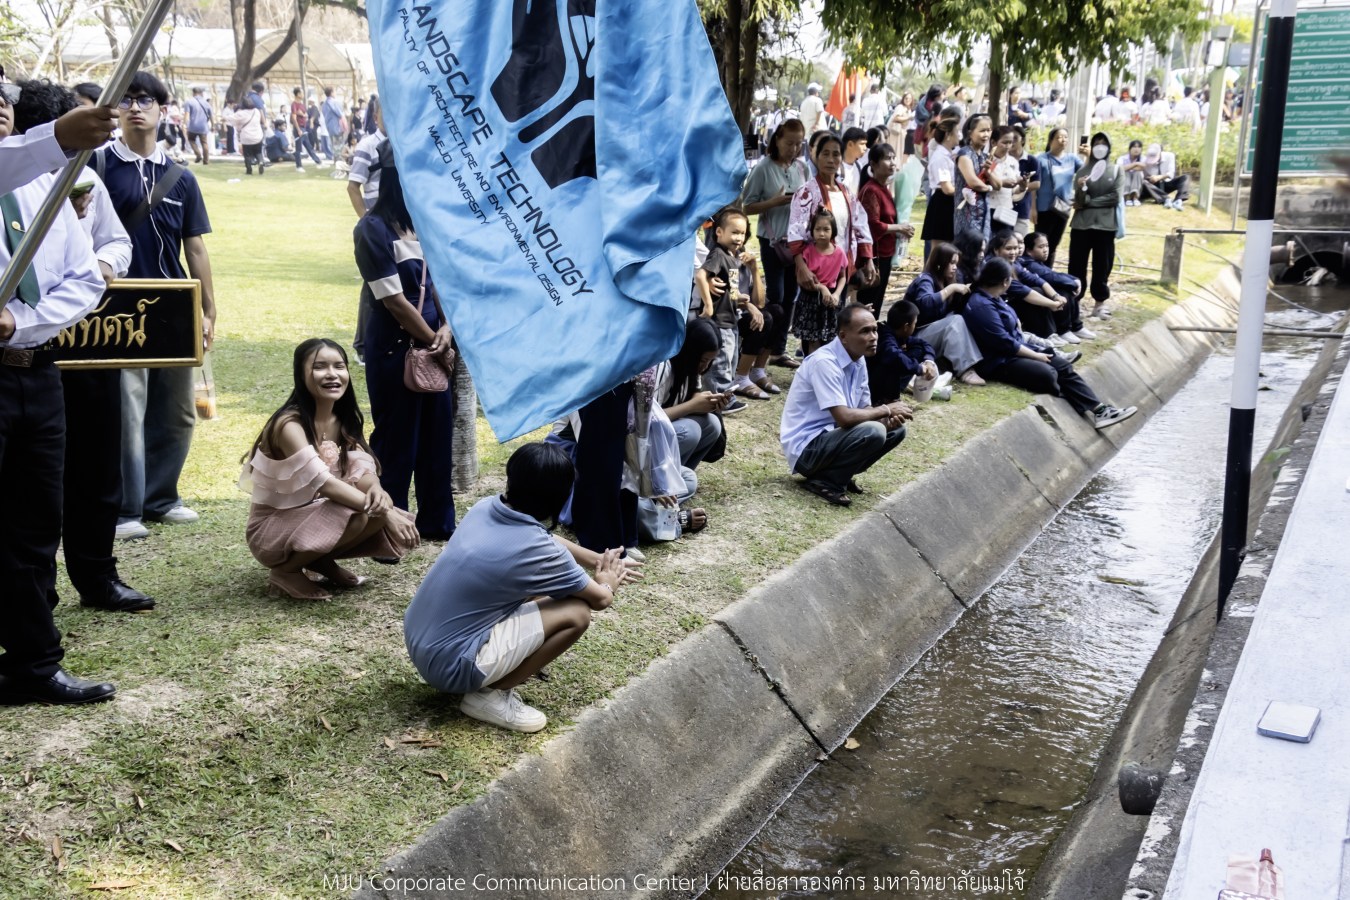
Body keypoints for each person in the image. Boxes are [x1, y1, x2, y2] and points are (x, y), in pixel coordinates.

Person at [12, 79, 157, 614]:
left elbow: (117, 241)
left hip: (89, 341)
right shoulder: (16, 183)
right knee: (37, 485)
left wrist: (98, 267)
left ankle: (98, 575)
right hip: (23, 355)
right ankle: (35, 591)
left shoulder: (86, 178)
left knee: (98, 463)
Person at [0, 67, 121, 704]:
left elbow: (84, 278)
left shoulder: (45, 188)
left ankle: (32, 663)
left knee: (33, 524)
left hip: (37, 375)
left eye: (2, 93)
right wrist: (59, 135)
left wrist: (19, 318)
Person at [404, 443, 632, 733]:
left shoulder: (485, 507)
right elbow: (599, 599)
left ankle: (491, 673)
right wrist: (608, 580)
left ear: (511, 480)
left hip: (420, 639)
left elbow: (543, 541)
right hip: (452, 667)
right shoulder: (539, 551)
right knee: (576, 612)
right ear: (560, 498)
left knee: (547, 591)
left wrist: (595, 559)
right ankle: (489, 697)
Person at [94, 72, 216, 541]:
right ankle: (125, 507)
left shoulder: (181, 177)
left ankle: (162, 497)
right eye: (126, 100)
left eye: (144, 99)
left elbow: (196, 247)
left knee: (178, 407)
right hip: (116, 305)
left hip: (173, 302)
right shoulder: (97, 166)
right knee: (127, 408)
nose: (135, 107)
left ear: (163, 109)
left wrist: (208, 308)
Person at [241, 339, 419, 600]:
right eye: (320, 367)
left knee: (374, 508)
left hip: (310, 519)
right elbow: (322, 482)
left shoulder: (341, 419)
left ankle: (320, 562)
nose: (332, 374)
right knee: (359, 512)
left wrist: (378, 493)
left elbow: (362, 465)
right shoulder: (289, 425)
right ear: (301, 375)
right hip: (271, 531)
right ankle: (286, 572)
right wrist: (388, 513)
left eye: (340, 366)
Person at [352, 162, 457, 542]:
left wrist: (448, 329)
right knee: (397, 439)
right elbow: (394, 301)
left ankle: (437, 522)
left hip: (435, 344)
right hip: (395, 348)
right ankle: (387, 527)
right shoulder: (371, 229)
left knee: (437, 437)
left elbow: (442, 282)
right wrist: (435, 339)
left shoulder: (424, 225)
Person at [958, 258, 1136, 429]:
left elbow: (1012, 333)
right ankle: (1082, 401)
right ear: (1005, 281)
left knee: (1061, 365)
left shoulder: (994, 297)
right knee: (1048, 374)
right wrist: (1036, 355)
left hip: (1015, 351)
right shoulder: (982, 305)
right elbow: (1004, 343)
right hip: (998, 361)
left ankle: (1100, 410)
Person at [779, 304, 910, 507]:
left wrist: (887, 419)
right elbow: (844, 418)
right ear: (843, 336)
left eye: (874, 330)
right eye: (865, 331)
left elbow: (864, 410)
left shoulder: (858, 359)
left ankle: (840, 474)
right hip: (807, 451)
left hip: (833, 438)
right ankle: (827, 481)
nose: (874, 337)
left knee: (896, 430)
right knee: (874, 430)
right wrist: (886, 409)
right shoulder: (824, 362)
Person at [786, 132, 876, 326]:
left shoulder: (846, 193)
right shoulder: (806, 193)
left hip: (840, 269)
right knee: (815, 326)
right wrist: (802, 268)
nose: (830, 159)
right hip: (816, 271)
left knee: (837, 321)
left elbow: (860, 223)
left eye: (835, 154)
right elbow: (795, 233)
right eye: (825, 154)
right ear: (815, 157)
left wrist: (867, 258)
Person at [739, 118, 807, 372]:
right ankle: (759, 351)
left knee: (791, 296)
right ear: (777, 139)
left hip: (797, 241)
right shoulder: (763, 168)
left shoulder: (801, 168)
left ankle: (778, 350)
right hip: (771, 240)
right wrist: (776, 202)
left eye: (798, 144)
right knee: (775, 297)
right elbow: (748, 205)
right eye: (789, 143)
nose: (793, 148)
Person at [901, 242, 986, 385]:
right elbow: (926, 302)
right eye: (951, 263)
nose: (954, 267)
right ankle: (966, 370)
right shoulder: (925, 280)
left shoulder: (946, 279)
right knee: (955, 321)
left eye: (956, 263)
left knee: (961, 317)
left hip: (929, 334)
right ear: (940, 263)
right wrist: (951, 289)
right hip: (913, 338)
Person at [1069, 132, 1123, 321]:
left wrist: (1089, 202)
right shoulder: (1083, 171)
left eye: (1104, 143)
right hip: (1081, 225)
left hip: (1105, 226)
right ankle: (1074, 300)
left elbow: (1115, 197)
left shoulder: (1116, 169)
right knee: (1076, 264)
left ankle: (1100, 302)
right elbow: (1078, 200)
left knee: (1102, 265)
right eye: (1097, 143)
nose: (1100, 147)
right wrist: (1082, 189)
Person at [856, 142, 912, 317]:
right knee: (869, 302)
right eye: (887, 158)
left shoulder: (884, 187)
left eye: (894, 158)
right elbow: (872, 225)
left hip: (886, 254)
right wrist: (900, 228)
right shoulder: (871, 190)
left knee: (877, 302)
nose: (893, 162)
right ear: (873, 164)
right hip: (874, 256)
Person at [867, 300, 951, 404]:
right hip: (872, 383)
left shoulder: (899, 335)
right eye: (914, 323)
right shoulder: (884, 338)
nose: (915, 326)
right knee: (894, 362)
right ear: (906, 326)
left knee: (918, 349)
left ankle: (898, 388)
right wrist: (919, 368)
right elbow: (894, 355)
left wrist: (928, 361)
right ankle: (887, 399)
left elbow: (924, 344)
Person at [793, 208, 850, 357]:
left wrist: (837, 294)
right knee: (812, 340)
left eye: (826, 229)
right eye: (818, 229)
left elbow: (843, 277)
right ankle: (810, 370)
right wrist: (821, 288)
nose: (822, 233)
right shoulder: (808, 251)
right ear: (812, 231)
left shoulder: (839, 253)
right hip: (809, 300)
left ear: (833, 231)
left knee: (830, 340)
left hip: (830, 301)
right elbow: (800, 279)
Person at [1019, 231, 1093, 340]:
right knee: (1062, 290)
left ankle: (1076, 327)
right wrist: (1073, 284)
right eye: (1041, 247)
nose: (1045, 250)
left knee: (1065, 287)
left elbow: (1054, 273)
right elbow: (1050, 277)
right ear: (1029, 250)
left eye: (1047, 246)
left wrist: (1074, 279)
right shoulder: (1028, 263)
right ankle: (1063, 330)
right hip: (1028, 300)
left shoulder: (1037, 262)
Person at [1035, 127, 1083, 266]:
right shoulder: (1041, 159)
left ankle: (1048, 272)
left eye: (1065, 137)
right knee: (1041, 244)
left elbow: (1086, 173)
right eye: (1059, 137)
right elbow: (1034, 185)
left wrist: (1087, 155)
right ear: (1051, 140)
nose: (1063, 140)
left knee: (1053, 244)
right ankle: (1038, 273)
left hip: (1063, 207)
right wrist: (1032, 208)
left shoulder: (1072, 159)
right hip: (1044, 207)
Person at [920, 111, 960, 254]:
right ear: (948, 135)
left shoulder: (948, 155)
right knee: (938, 251)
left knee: (947, 250)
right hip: (942, 203)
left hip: (949, 203)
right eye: (957, 132)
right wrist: (965, 191)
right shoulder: (940, 157)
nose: (959, 135)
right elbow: (947, 188)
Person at [954, 113, 996, 239]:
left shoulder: (985, 156)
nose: (986, 135)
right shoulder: (964, 154)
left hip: (984, 211)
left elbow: (998, 184)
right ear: (970, 133)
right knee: (968, 250)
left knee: (983, 249)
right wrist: (989, 188)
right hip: (967, 213)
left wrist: (988, 172)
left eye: (989, 130)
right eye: (982, 131)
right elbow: (973, 182)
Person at [347, 104, 385, 216]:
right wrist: (366, 222)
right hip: (379, 222)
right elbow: (352, 187)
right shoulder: (368, 145)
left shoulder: (404, 146)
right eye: (386, 112)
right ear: (375, 118)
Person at [1140, 142, 1190, 210]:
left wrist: (1159, 177)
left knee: (1185, 177)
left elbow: (1171, 173)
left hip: (1166, 183)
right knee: (1144, 182)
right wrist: (1150, 178)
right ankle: (1165, 199)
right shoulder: (1145, 160)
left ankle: (1178, 200)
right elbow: (1144, 176)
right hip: (1154, 187)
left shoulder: (1170, 156)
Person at [228, 99, 265, 174]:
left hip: (246, 136)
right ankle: (260, 161)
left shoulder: (241, 113)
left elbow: (231, 118)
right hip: (257, 135)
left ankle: (249, 170)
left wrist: (223, 119)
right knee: (258, 152)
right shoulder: (256, 111)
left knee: (247, 154)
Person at [289, 87, 322, 171]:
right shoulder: (294, 104)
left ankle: (318, 162)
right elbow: (294, 118)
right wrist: (298, 129)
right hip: (298, 128)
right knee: (298, 148)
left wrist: (304, 115)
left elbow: (305, 114)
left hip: (304, 127)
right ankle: (299, 166)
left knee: (308, 146)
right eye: (302, 93)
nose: (303, 95)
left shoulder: (302, 104)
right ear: (298, 94)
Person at [184, 86, 212, 165]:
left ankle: (198, 154)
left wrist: (184, 124)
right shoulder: (206, 103)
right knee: (204, 143)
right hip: (203, 126)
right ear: (201, 93)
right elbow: (211, 115)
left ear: (193, 93)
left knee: (191, 140)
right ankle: (206, 161)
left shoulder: (189, 102)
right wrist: (213, 125)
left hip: (193, 126)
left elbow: (187, 114)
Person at [321, 87, 347, 160]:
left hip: (329, 127)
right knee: (339, 146)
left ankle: (336, 161)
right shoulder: (335, 102)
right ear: (332, 93)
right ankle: (339, 162)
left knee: (334, 146)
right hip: (337, 127)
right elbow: (340, 113)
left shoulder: (324, 104)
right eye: (335, 92)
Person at [840, 126, 868, 194]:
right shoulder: (837, 168)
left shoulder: (859, 166)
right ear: (850, 144)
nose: (865, 148)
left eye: (865, 144)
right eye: (862, 144)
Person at [1119, 139, 1146, 206]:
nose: (1136, 149)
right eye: (1134, 147)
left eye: (1139, 147)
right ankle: (1127, 198)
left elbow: (1143, 167)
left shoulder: (1143, 158)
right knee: (1126, 173)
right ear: (1130, 149)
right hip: (1126, 178)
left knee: (1137, 173)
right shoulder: (1122, 158)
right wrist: (1135, 164)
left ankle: (1135, 198)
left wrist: (1128, 167)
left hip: (1137, 179)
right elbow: (1120, 169)